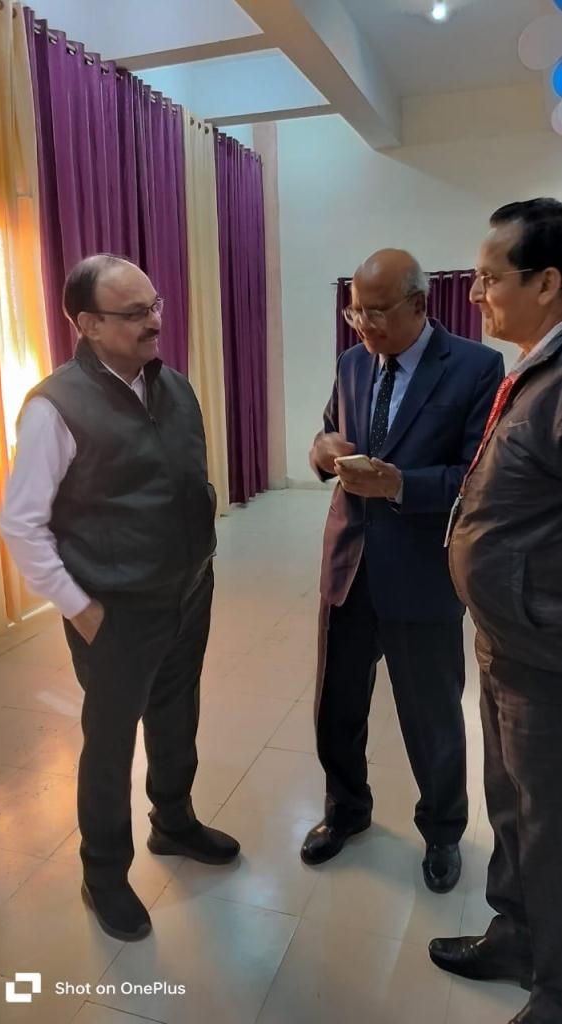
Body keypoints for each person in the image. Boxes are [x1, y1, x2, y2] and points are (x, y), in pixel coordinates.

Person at [0, 254, 240, 942]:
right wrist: (79, 607)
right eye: (135, 313)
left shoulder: (174, 386)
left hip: (187, 591)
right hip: (116, 611)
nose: (155, 321)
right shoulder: (55, 407)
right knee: (109, 742)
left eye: (154, 304)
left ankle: (174, 822)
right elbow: (20, 523)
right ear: (88, 324)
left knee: (176, 714)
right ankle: (103, 873)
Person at [301, 249, 504, 894]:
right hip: (348, 567)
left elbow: (477, 477)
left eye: (378, 311)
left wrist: (399, 484)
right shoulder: (352, 362)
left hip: (421, 572)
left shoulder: (475, 367)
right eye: (356, 311)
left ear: (419, 303)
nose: (364, 324)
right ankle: (346, 810)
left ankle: (443, 832)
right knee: (337, 706)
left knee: (431, 718)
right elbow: (328, 432)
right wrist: (322, 450)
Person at [429, 199, 562, 1024]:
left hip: (545, 655)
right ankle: (515, 937)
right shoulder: (532, 368)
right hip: (507, 640)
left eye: (489, 278)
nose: (476, 293)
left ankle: (554, 989)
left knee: (550, 824)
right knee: (510, 805)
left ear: (546, 282)